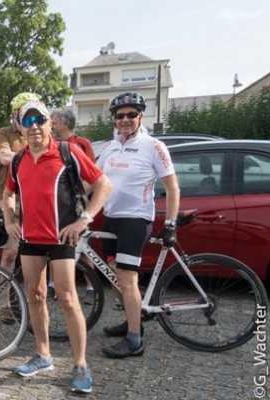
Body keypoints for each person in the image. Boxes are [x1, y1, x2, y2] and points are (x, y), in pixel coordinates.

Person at [3, 99, 111, 394]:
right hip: (30, 239)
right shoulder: (18, 160)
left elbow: (103, 184)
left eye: (39, 119)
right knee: (35, 295)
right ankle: (43, 355)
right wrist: (9, 218)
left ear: (50, 123)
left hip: (61, 238)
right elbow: (7, 194)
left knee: (67, 298)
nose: (34, 126)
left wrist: (84, 220)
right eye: (28, 121)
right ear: (21, 127)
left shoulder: (67, 152)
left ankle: (80, 365)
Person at [97, 92, 180, 359]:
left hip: (135, 219)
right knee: (113, 274)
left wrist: (171, 222)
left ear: (140, 116)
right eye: (120, 116)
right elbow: (94, 181)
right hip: (111, 218)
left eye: (131, 114)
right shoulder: (110, 147)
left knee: (127, 278)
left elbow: (172, 186)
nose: (125, 120)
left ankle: (135, 340)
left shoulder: (153, 146)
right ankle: (135, 317)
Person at [0, 92, 39, 273]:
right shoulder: (5, 132)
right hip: (11, 198)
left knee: (35, 251)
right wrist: (34, 159)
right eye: (22, 113)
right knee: (10, 252)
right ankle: (3, 299)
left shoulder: (38, 131)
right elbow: (4, 157)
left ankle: (32, 295)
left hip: (35, 199)